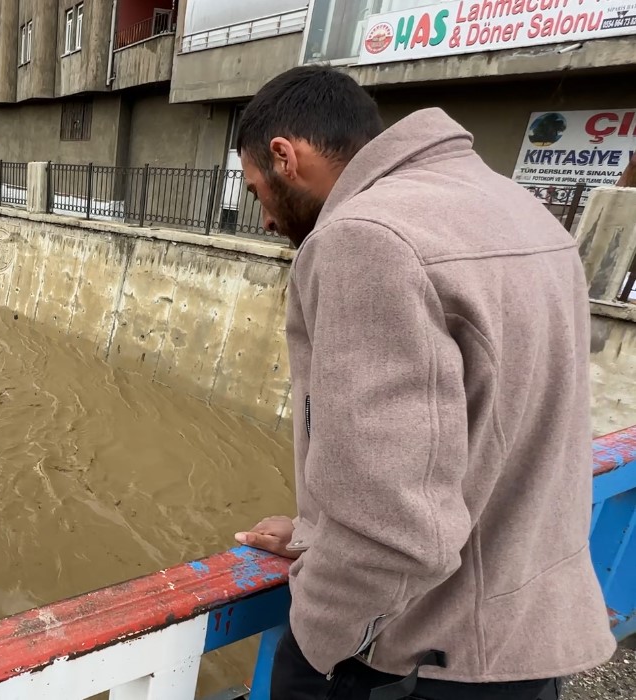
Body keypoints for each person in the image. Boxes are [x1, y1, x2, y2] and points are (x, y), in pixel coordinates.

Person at [232, 66, 615, 700]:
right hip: (528, 641)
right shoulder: (522, 212)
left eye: (255, 192)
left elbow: (392, 526)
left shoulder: (366, 239)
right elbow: (489, 431)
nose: (267, 221)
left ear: (283, 156)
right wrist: (317, 533)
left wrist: (318, 642)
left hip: (426, 661)